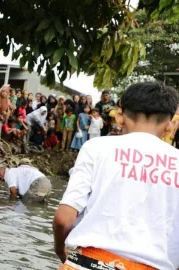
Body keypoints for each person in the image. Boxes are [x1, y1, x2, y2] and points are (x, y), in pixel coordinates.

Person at [53, 82, 179, 269]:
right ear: (170, 125)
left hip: (85, 263)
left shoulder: (95, 148)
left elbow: (64, 219)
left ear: (119, 118)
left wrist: (60, 249)